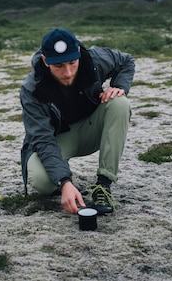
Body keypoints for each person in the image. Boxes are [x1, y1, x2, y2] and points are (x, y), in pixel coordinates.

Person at [20, 28, 134, 215]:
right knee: (42, 182)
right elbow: (42, 140)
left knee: (119, 103)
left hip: (92, 129)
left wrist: (119, 86)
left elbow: (127, 60)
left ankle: (104, 185)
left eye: (72, 63)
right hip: (59, 138)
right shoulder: (31, 89)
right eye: (58, 66)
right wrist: (64, 182)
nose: (67, 73)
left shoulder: (94, 59)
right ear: (45, 61)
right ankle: (63, 181)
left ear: (79, 54)